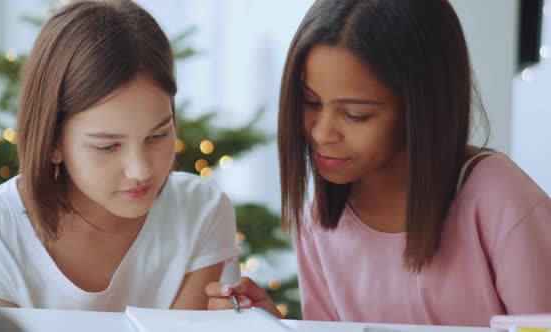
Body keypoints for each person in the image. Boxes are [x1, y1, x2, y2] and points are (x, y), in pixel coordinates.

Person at [206, 0, 551, 326]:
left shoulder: (502, 203)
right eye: (310, 102)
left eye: (356, 115)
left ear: (420, 109)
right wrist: (275, 325)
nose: (322, 132)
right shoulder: (321, 218)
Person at [0, 0, 240, 311]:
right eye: (108, 146)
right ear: (53, 142)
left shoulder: (200, 212)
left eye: (158, 134)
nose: (141, 171)